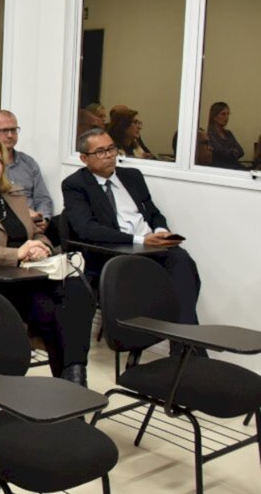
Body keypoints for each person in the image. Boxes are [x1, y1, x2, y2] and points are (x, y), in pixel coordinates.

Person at [0, 136, 94, 385]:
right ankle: (73, 386)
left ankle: (75, 379)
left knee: (78, 291)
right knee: (59, 313)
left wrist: (41, 247)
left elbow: (36, 234)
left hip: (31, 275)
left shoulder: (13, 193)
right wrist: (16, 254)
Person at [62, 129, 201, 348]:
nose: (109, 155)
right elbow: (87, 229)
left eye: (111, 148)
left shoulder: (132, 177)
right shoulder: (75, 185)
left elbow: (153, 212)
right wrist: (139, 240)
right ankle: (188, 350)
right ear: (84, 158)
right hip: (115, 253)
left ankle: (184, 347)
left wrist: (162, 230)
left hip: (151, 247)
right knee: (176, 273)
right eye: (100, 151)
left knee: (183, 262)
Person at [0, 110, 53, 228]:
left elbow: (43, 198)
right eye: (4, 130)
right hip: (1, 226)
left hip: (34, 224)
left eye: (13, 130)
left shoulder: (29, 163)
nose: (10, 135)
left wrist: (44, 218)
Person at [205, 101, 245, 169]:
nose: (227, 117)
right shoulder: (209, 134)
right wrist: (232, 151)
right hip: (220, 169)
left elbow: (241, 151)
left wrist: (230, 152)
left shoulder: (228, 133)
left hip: (235, 166)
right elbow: (220, 151)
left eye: (228, 114)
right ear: (214, 117)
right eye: (223, 114)